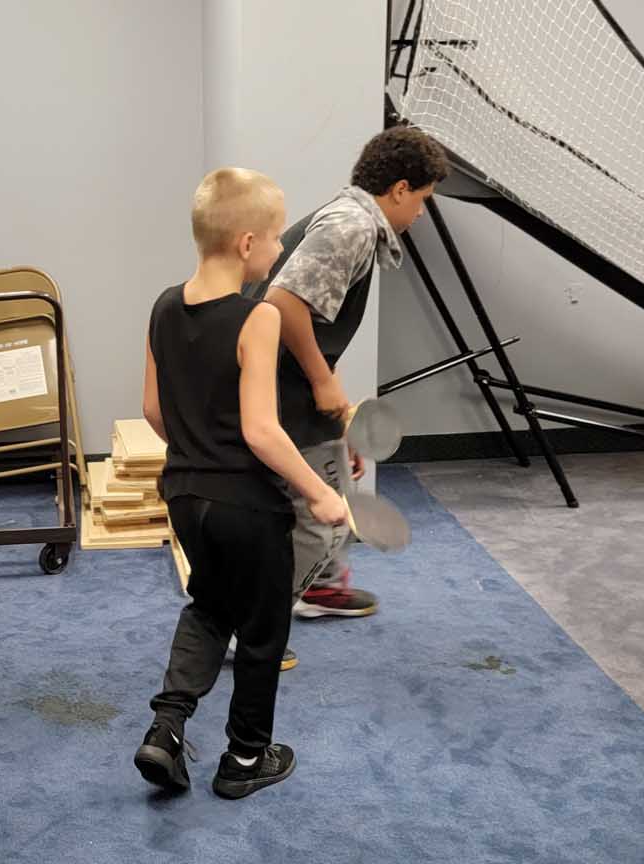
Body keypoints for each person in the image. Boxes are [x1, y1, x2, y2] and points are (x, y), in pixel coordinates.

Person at [133, 167, 348, 800]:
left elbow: (152, 410)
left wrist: (197, 450)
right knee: (262, 630)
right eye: (278, 237)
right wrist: (320, 491)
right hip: (247, 506)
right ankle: (246, 759)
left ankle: (167, 727)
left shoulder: (163, 305)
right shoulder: (258, 318)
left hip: (185, 496)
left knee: (209, 604)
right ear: (247, 243)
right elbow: (260, 431)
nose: (281, 249)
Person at [247, 125, 448, 625]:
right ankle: (255, 627)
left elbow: (312, 325)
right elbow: (283, 303)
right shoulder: (351, 227)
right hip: (274, 380)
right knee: (319, 513)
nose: (420, 213)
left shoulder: (350, 219)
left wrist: (339, 421)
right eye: (422, 199)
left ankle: (317, 586)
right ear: (399, 189)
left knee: (330, 484)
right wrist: (322, 382)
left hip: (284, 376)